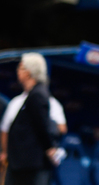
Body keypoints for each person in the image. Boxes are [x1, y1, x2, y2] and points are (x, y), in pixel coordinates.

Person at [0, 53, 58, 185]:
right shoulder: (32, 94)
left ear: (29, 72)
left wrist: (49, 147)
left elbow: (42, 125)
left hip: (30, 165)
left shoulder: (38, 94)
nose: (17, 71)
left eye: (21, 67)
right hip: (21, 163)